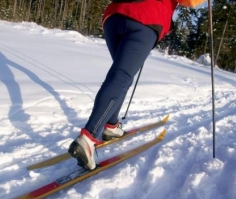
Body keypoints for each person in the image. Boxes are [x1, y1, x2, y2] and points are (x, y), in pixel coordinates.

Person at [68, 0, 205, 170]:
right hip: (145, 19)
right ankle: (87, 138)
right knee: (121, 77)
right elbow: (189, 1)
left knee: (121, 76)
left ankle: (111, 126)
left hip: (114, 16)